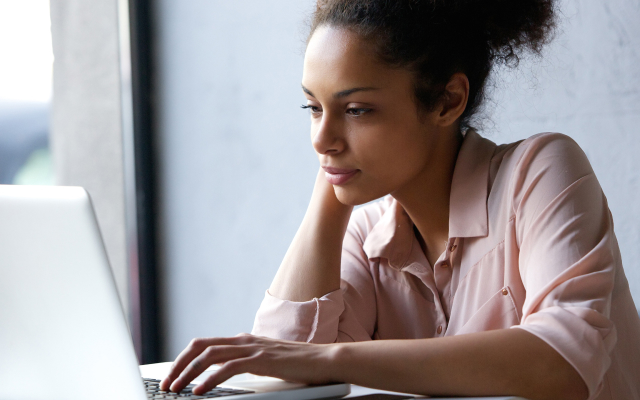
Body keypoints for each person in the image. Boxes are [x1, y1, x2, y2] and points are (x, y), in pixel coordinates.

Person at [160, 1, 640, 399]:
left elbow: (563, 364)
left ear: (448, 100)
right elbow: (280, 375)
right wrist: (332, 190)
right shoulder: (365, 235)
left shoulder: (540, 171)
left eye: (356, 110)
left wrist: (335, 359)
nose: (320, 137)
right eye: (313, 107)